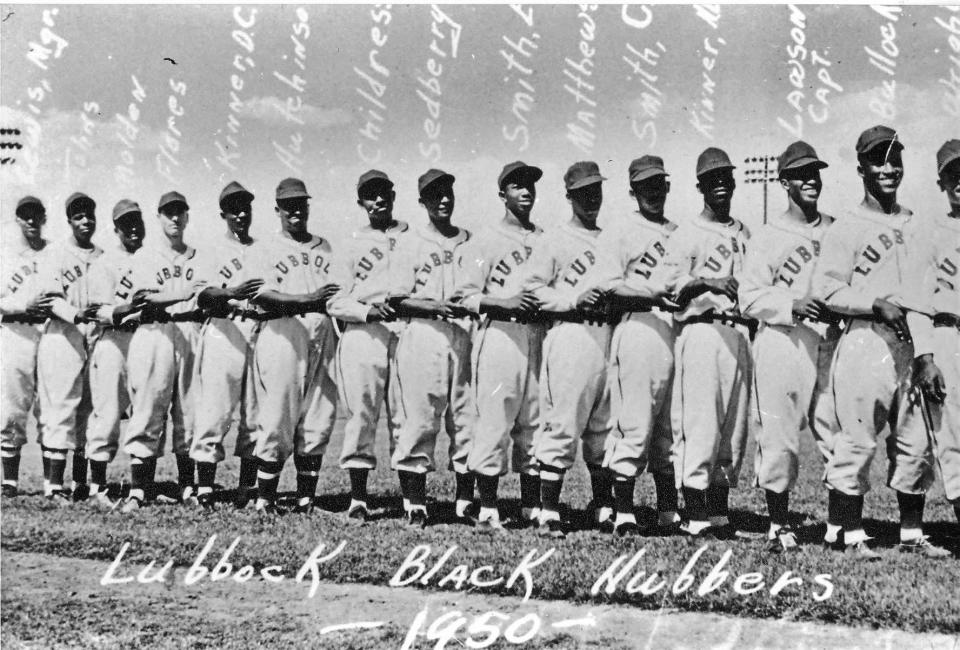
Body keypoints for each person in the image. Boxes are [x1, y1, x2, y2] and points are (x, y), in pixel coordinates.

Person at [813, 125, 949, 559]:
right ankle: (850, 533)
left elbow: (927, 291)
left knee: (915, 439)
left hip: (911, 342)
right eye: (878, 160)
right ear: (861, 169)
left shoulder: (915, 224)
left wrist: (926, 348)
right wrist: (873, 304)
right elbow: (828, 291)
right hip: (865, 339)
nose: (889, 168)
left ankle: (911, 533)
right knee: (857, 434)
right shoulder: (847, 226)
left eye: (895, 159)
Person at [738, 141, 838, 552]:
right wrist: (790, 303)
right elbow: (748, 297)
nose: (810, 179)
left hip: (830, 340)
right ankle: (779, 524)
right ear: (784, 183)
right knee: (778, 434)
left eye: (815, 171)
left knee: (839, 429)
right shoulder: (767, 235)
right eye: (800, 174)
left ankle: (840, 525)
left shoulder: (837, 228)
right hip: (783, 339)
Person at [524, 161, 620, 539]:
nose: (591, 198)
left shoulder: (612, 237)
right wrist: (571, 299)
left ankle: (602, 504)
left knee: (605, 425)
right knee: (562, 421)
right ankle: (549, 509)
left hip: (608, 334)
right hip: (571, 334)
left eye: (596, 190)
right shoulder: (554, 239)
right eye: (583, 192)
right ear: (569, 197)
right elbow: (533, 289)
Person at [664, 147, 752, 539]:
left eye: (725, 178)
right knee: (701, 424)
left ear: (733, 182)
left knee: (732, 429)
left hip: (737, 332)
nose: (720, 185)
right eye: (712, 179)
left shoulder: (744, 231)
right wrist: (706, 280)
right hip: (700, 329)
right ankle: (695, 513)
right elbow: (671, 291)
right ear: (700, 186)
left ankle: (718, 513)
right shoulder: (687, 232)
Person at [455, 161, 545, 530]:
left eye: (530, 185)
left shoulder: (544, 238)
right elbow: (464, 294)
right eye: (516, 186)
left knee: (536, 420)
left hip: (537, 333)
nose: (525, 191)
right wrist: (503, 301)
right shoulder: (485, 240)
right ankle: (489, 505)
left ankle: (531, 505)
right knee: (494, 417)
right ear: (502, 194)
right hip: (500, 334)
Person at [246, 178, 341, 514]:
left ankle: (306, 499)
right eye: (289, 205)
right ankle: (265, 498)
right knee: (278, 415)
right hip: (283, 332)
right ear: (277, 210)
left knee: (319, 413)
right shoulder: (266, 247)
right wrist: (308, 298)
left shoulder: (325, 246)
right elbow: (261, 295)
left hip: (322, 332)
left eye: (301, 203)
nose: (296, 210)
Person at [600, 156, 682, 536]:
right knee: (634, 420)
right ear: (632, 191)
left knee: (671, 426)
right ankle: (624, 512)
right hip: (639, 327)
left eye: (658, 184)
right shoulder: (620, 231)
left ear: (668, 186)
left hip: (674, 330)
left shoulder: (679, 232)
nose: (653, 191)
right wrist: (652, 294)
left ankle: (669, 511)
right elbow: (610, 286)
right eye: (644, 186)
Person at [390, 169, 476, 527]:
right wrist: (434, 306)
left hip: (463, 332)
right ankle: (415, 503)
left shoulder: (471, 241)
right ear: (422, 201)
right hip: (424, 332)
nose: (443, 200)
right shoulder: (410, 242)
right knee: (421, 418)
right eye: (434, 194)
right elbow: (397, 299)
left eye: (447, 193)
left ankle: (464, 502)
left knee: (467, 418)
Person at [327, 170, 410, 521]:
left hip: (406, 330)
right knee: (361, 414)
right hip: (364, 333)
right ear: (360, 202)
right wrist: (365, 310)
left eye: (383, 193)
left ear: (393, 195)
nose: (378, 200)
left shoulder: (413, 237)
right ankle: (358, 498)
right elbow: (334, 301)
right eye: (370, 195)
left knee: (406, 414)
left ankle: (412, 500)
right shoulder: (350, 243)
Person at [121, 191, 206, 512]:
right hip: (154, 331)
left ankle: (188, 487)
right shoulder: (146, 255)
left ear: (187, 216)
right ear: (158, 217)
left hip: (190, 331)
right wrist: (185, 292)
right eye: (168, 213)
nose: (174, 218)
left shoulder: (199, 256)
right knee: (147, 408)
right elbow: (143, 297)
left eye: (179, 212)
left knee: (190, 411)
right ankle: (139, 490)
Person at [190, 182, 264, 509]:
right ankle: (204, 486)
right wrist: (232, 292)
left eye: (245, 207)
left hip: (259, 328)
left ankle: (247, 487)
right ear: (224, 215)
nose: (241, 214)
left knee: (256, 411)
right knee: (215, 409)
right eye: (234, 209)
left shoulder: (264, 248)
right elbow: (203, 295)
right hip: (224, 328)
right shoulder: (211, 249)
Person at [36, 192, 103, 504]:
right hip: (62, 335)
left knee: (88, 411)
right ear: (69, 221)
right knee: (61, 409)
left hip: (93, 336)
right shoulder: (55, 253)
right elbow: (49, 299)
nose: (85, 220)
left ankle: (79, 482)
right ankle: (53, 486)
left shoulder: (103, 255)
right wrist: (75, 313)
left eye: (89, 214)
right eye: (78, 216)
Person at [82, 199, 146, 507]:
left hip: (145, 338)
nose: (133, 228)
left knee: (144, 413)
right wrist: (131, 308)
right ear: (117, 229)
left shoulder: (152, 259)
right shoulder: (104, 263)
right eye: (126, 224)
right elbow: (96, 309)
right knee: (107, 414)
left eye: (137, 221)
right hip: (114, 341)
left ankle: (139, 488)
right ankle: (98, 489)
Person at [0, 196, 54, 498]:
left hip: (49, 333)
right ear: (18, 220)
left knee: (51, 407)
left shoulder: (55, 252)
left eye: (36, 215)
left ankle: (51, 483)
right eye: (26, 216)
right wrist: (24, 306)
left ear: (44, 218)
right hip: (16, 332)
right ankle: (9, 481)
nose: (31, 221)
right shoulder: (6, 255)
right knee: (10, 408)